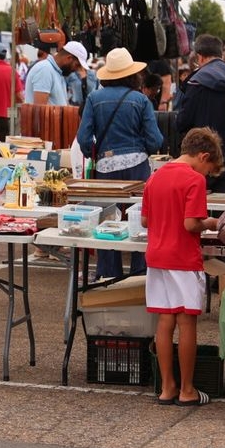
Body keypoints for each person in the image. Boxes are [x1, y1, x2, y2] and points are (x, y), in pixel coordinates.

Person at [142, 128, 224, 407]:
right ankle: (187, 389)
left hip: (157, 256)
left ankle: (167, 387)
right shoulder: (193, 180)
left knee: (165, 322)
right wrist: (210, 223)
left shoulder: (155, 177)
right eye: (208, 170)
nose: (206, 176)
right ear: (203, 156)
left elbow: (145, 220)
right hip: (183, 258)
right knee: (186, 321)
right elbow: (191, 224)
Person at [76, 48, 163, 280]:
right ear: (133, 74)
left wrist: (95, 154)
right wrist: (142, 149)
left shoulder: (94, 99)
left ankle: (108, 276)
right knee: (140, 220)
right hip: (138, 167)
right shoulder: (141, 100)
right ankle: (138, 275)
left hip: (106, 168)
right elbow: (155, 140)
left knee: (106, 221)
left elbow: (84, 138)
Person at [177, 34, 225, 193]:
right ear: (221, 54)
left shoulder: (196, 82)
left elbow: (183, 122)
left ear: (199, 57)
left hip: (202, 160)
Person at [62, 41, 98, 112]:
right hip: (73, 109)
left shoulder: (93, 74)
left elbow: (97, 91)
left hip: (90, 109)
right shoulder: (70, 74)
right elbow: (65, 91)